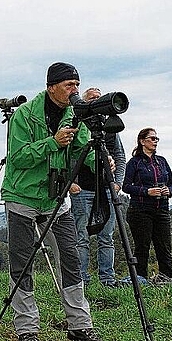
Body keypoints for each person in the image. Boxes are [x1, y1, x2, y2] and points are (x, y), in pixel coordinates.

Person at [0, 62, 105, 341]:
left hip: (57, 199)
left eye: (77, 85)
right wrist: (52, 142)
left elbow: (83, 149)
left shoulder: (74, 114)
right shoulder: (24, 115)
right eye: (69, 85)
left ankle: (80, 325)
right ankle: (27, 329)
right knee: (22, 265)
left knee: (71, 260)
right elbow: (18, 158)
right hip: (22, 197)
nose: (75, 90)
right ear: (51, 88)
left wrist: (101, 163)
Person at [69, 87, 126, 287]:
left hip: (107, 188)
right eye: (91, 98)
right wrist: (71, 183)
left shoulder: (108, 127)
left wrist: (117, 182)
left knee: (106, 237)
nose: (96, 100)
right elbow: (68, 154)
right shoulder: (78, 124)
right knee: (82, 236)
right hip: (82, 188)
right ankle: (81, 279)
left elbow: (119, 155)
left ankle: (107, 279)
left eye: (98, 98)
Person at [122, 128, 172, 280]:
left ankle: (167, 281)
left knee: (164, 249)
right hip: (140, 210)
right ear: (142, 141)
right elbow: (126, 186)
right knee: (142, 248)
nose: (155, 141)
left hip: (162, 210)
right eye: (152, 138)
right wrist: (147, 191)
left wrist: (168, 190)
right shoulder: (134, 163)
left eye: (156, 139)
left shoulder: (162, 161)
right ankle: (140, 281)